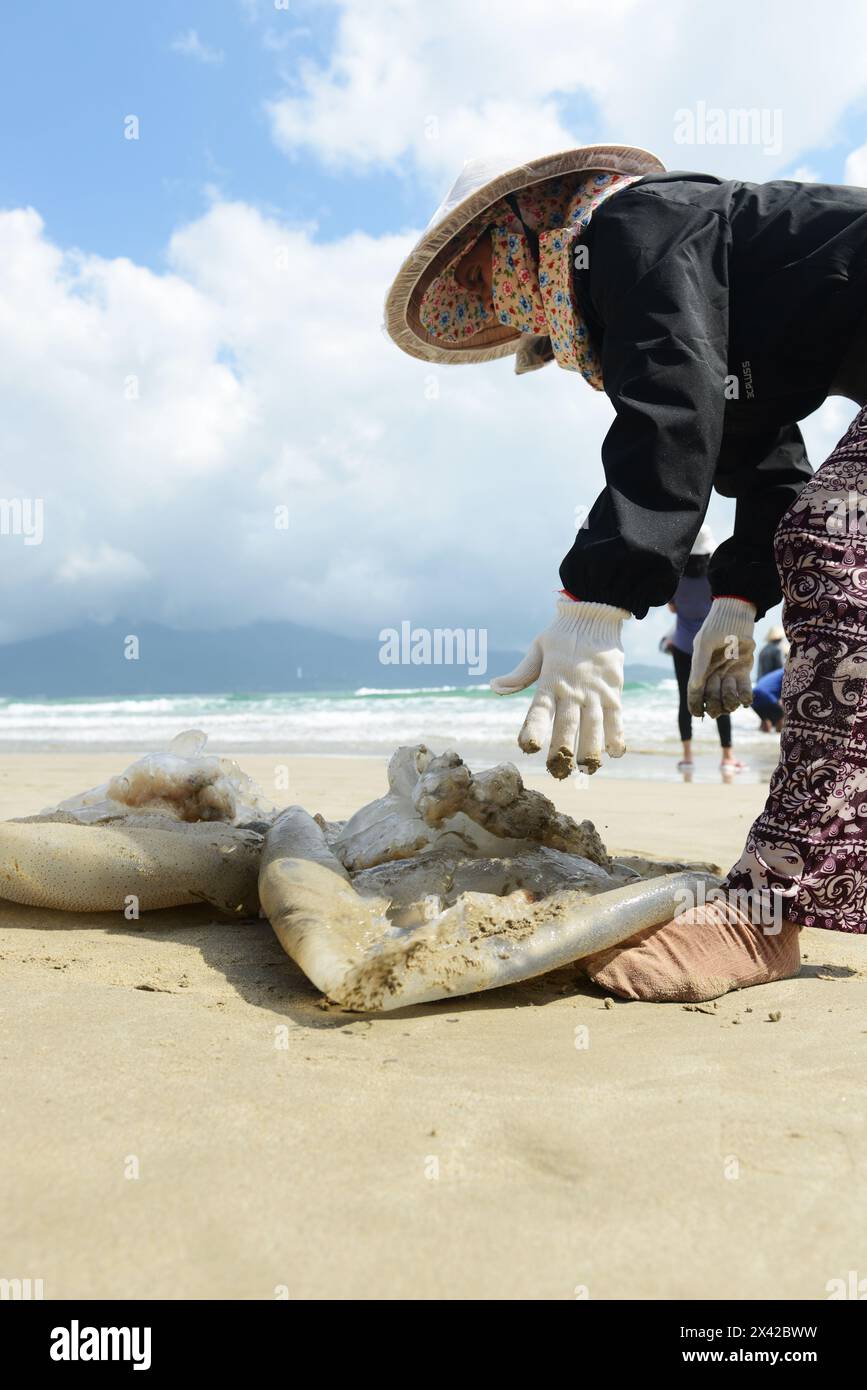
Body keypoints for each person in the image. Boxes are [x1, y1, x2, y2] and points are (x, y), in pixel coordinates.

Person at [385, 144, 867, 998]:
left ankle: (766, 912)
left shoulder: (634, 225)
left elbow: (671, 409)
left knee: (838, 534)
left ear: (520, 228)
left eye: (494, 285)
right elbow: (757, 456)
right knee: (825, 531)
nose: (532, 333)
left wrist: (595, 602)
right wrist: (736, 597)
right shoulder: (684, 253)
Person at [665, 523, 745, 774]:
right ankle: (727, 758)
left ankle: (688, 758)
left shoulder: (674, 578)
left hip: (682, 645)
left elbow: (673, 608)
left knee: (683, 699)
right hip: (713, 646)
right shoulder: (717, 577)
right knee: (720, 695)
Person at [751, 665, 785, 732]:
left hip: (753, 695)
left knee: (765, 720)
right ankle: (778, 739)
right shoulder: (786, 673)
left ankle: (762, 738)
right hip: (766, 695)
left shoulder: (777, 672)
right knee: (781, 717)